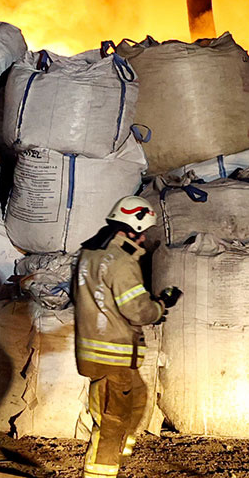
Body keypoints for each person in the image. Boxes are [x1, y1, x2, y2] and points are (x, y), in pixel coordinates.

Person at [74, 197, 181, 478]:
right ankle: (101, 471)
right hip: (112, 352)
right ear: (133, 228)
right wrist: (159, 307)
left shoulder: (89, 253)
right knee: (113, 419)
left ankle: (119, 451)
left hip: (94, 347)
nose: (144, 238)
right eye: (142, 231)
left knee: (138, 397)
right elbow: (137, 310)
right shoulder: (121, 260)